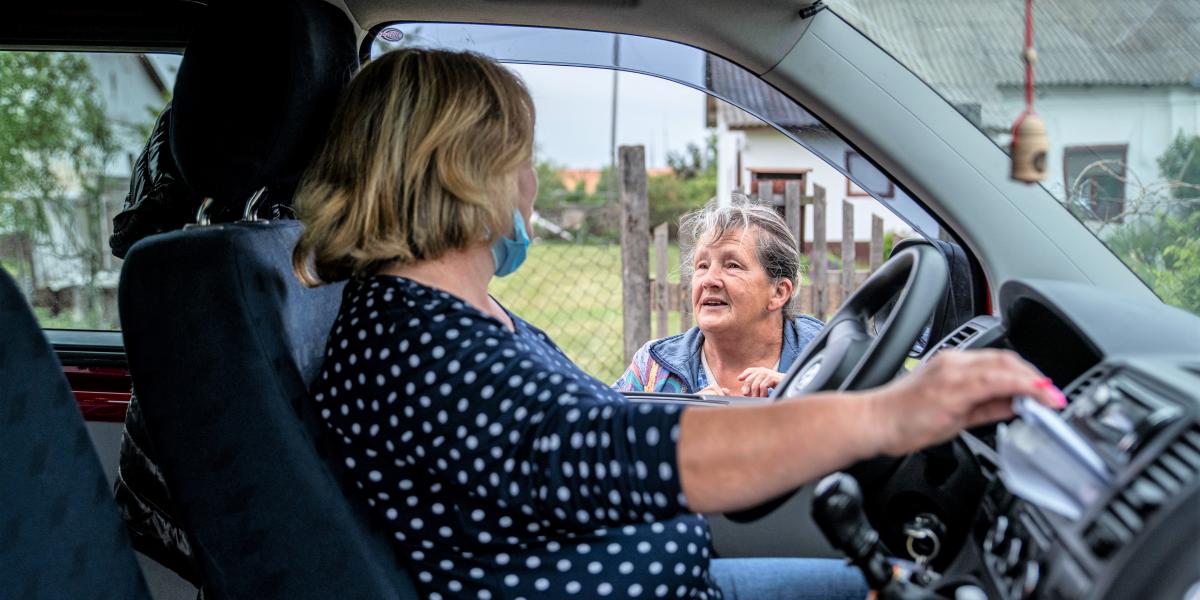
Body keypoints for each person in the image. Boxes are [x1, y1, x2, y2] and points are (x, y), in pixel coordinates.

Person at [293, 48, 1065, 600]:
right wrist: (890, 414)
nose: (531, 182)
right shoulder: (422, 346)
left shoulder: (443, 317)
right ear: (466, 171)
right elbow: (612, 448)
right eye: (521, 157)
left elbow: (592, 425)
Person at [615, 197, 820, 397]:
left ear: (779, 292)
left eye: (732, 265)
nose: (709, 280)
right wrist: (680, 415)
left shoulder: (828, 356)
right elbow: (603, 424)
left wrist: (805, 394)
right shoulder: (653, 368)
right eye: (702, 266)